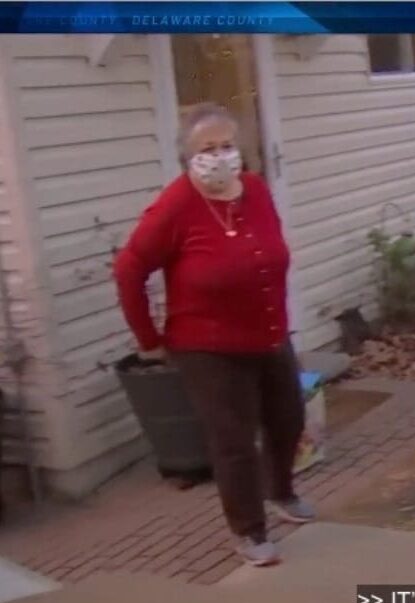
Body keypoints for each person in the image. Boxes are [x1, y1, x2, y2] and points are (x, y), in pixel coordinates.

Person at [113, 103, 314, 567]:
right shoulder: (177, 205)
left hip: (268, 333)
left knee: (289, 419)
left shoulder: (257, 191)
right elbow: (128, 270)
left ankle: (280, 491)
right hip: (207, 346)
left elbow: (270, 257)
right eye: (208, 148)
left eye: (227, 146)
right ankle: (248, 530)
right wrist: (147, 337)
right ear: (188, 156)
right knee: (234, 441)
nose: (220, 156)